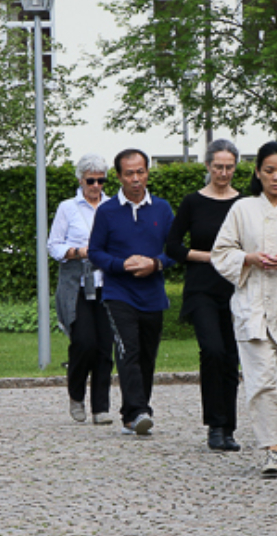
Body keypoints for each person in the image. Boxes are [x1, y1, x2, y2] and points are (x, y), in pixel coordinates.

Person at [212, 141, 277, 476]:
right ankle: (272, 449)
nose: (276, 177)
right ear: (258, 172)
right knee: (260, 381)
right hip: (251, 305)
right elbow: (220, 252)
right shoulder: (242, 209)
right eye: (269, 170)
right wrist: (248, 258)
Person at [88, 149, 175, 435]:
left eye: (140, 172)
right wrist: (120, 265)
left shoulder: (162, 209)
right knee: (128, 352)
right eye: (129, 173)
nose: (136, 179)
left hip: (152, 295)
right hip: (118, 293)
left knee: (147, 357)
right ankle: (139, 412)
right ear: (119, 176)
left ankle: (131, 413)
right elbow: (95, 252)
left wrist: (155, 263)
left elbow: (175, 251)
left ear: (148, 172)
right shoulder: (107, 211)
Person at [165, 139, 244, 451]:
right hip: (201, 289)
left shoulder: (245, 203)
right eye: (218, 167)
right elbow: (172, 246)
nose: (223, 172)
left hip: (236, 288)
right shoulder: (192, 202)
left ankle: (228, 428)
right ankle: (214, 424)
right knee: (212, 350)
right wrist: (208, 256)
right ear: (208, 166)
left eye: (229, 167)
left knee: (231, 357)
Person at [50, 153, 114, 425]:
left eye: (101, 180)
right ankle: (76, 394)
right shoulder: (67, 208)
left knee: (104, 347)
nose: (96, 185)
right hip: (76, 283)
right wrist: (77, 251)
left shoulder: (113, 206)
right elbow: (53, 246)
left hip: (107, 283)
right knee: (84, 342)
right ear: (81, 180)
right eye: (91, 180)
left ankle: (101, 407)